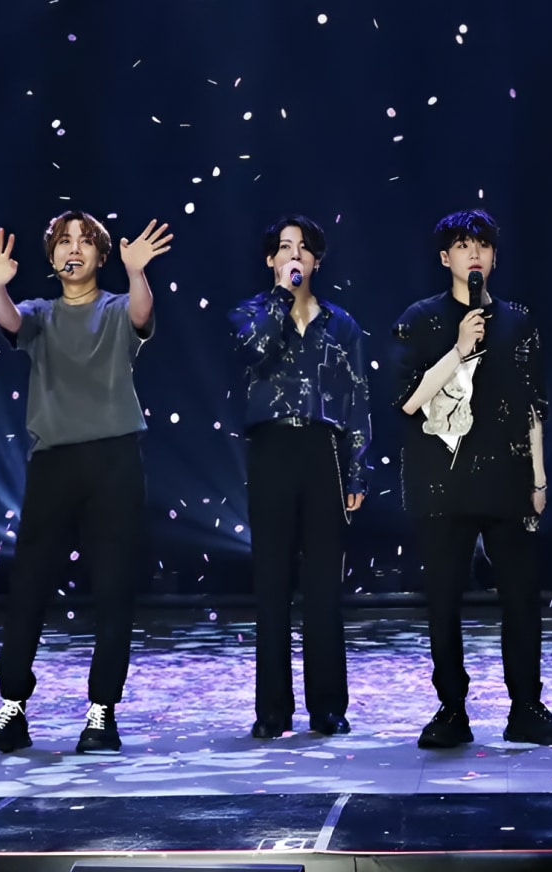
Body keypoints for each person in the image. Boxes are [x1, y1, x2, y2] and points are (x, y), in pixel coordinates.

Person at [0, 211, 171, 755]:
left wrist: (137, 272)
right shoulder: (40, 313)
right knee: (29, 585)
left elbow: (141, 313)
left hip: (114, 460)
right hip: (54, 462)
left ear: (102, 256)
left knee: (113, 587)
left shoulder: (116, 308)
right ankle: (13, 706)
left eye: (84, 242)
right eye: (63, 241)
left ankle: (102, 711)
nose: (73, 249)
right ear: (52, 256)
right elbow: (11, 321)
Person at [391, 209, 552, 749]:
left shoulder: (519, 321)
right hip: (440, 481)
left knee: (521, 597)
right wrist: (458, 349)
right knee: (444, 600)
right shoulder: (421, 318)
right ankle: (451, 709)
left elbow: (535, 406)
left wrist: (539, 478)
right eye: (461, 244)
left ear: (494, 257)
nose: (473, 252)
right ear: (444, 257)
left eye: (483, 244)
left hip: (508, 478)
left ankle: (526, 707)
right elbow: (407, 401)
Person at [228, 214, 371, 739]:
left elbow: (357, 399)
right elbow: (255, 351)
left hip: (323, 450)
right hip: (271, 448)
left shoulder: (342, 324)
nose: (295, 255)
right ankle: (272, 710)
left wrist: (357, 470)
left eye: (304, 248)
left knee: (323, 587)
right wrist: (282, 301)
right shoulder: (249, 314)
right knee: (272, 583)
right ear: (271, 260)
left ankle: (327, 706)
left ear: (317, 260)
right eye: (285, 248)